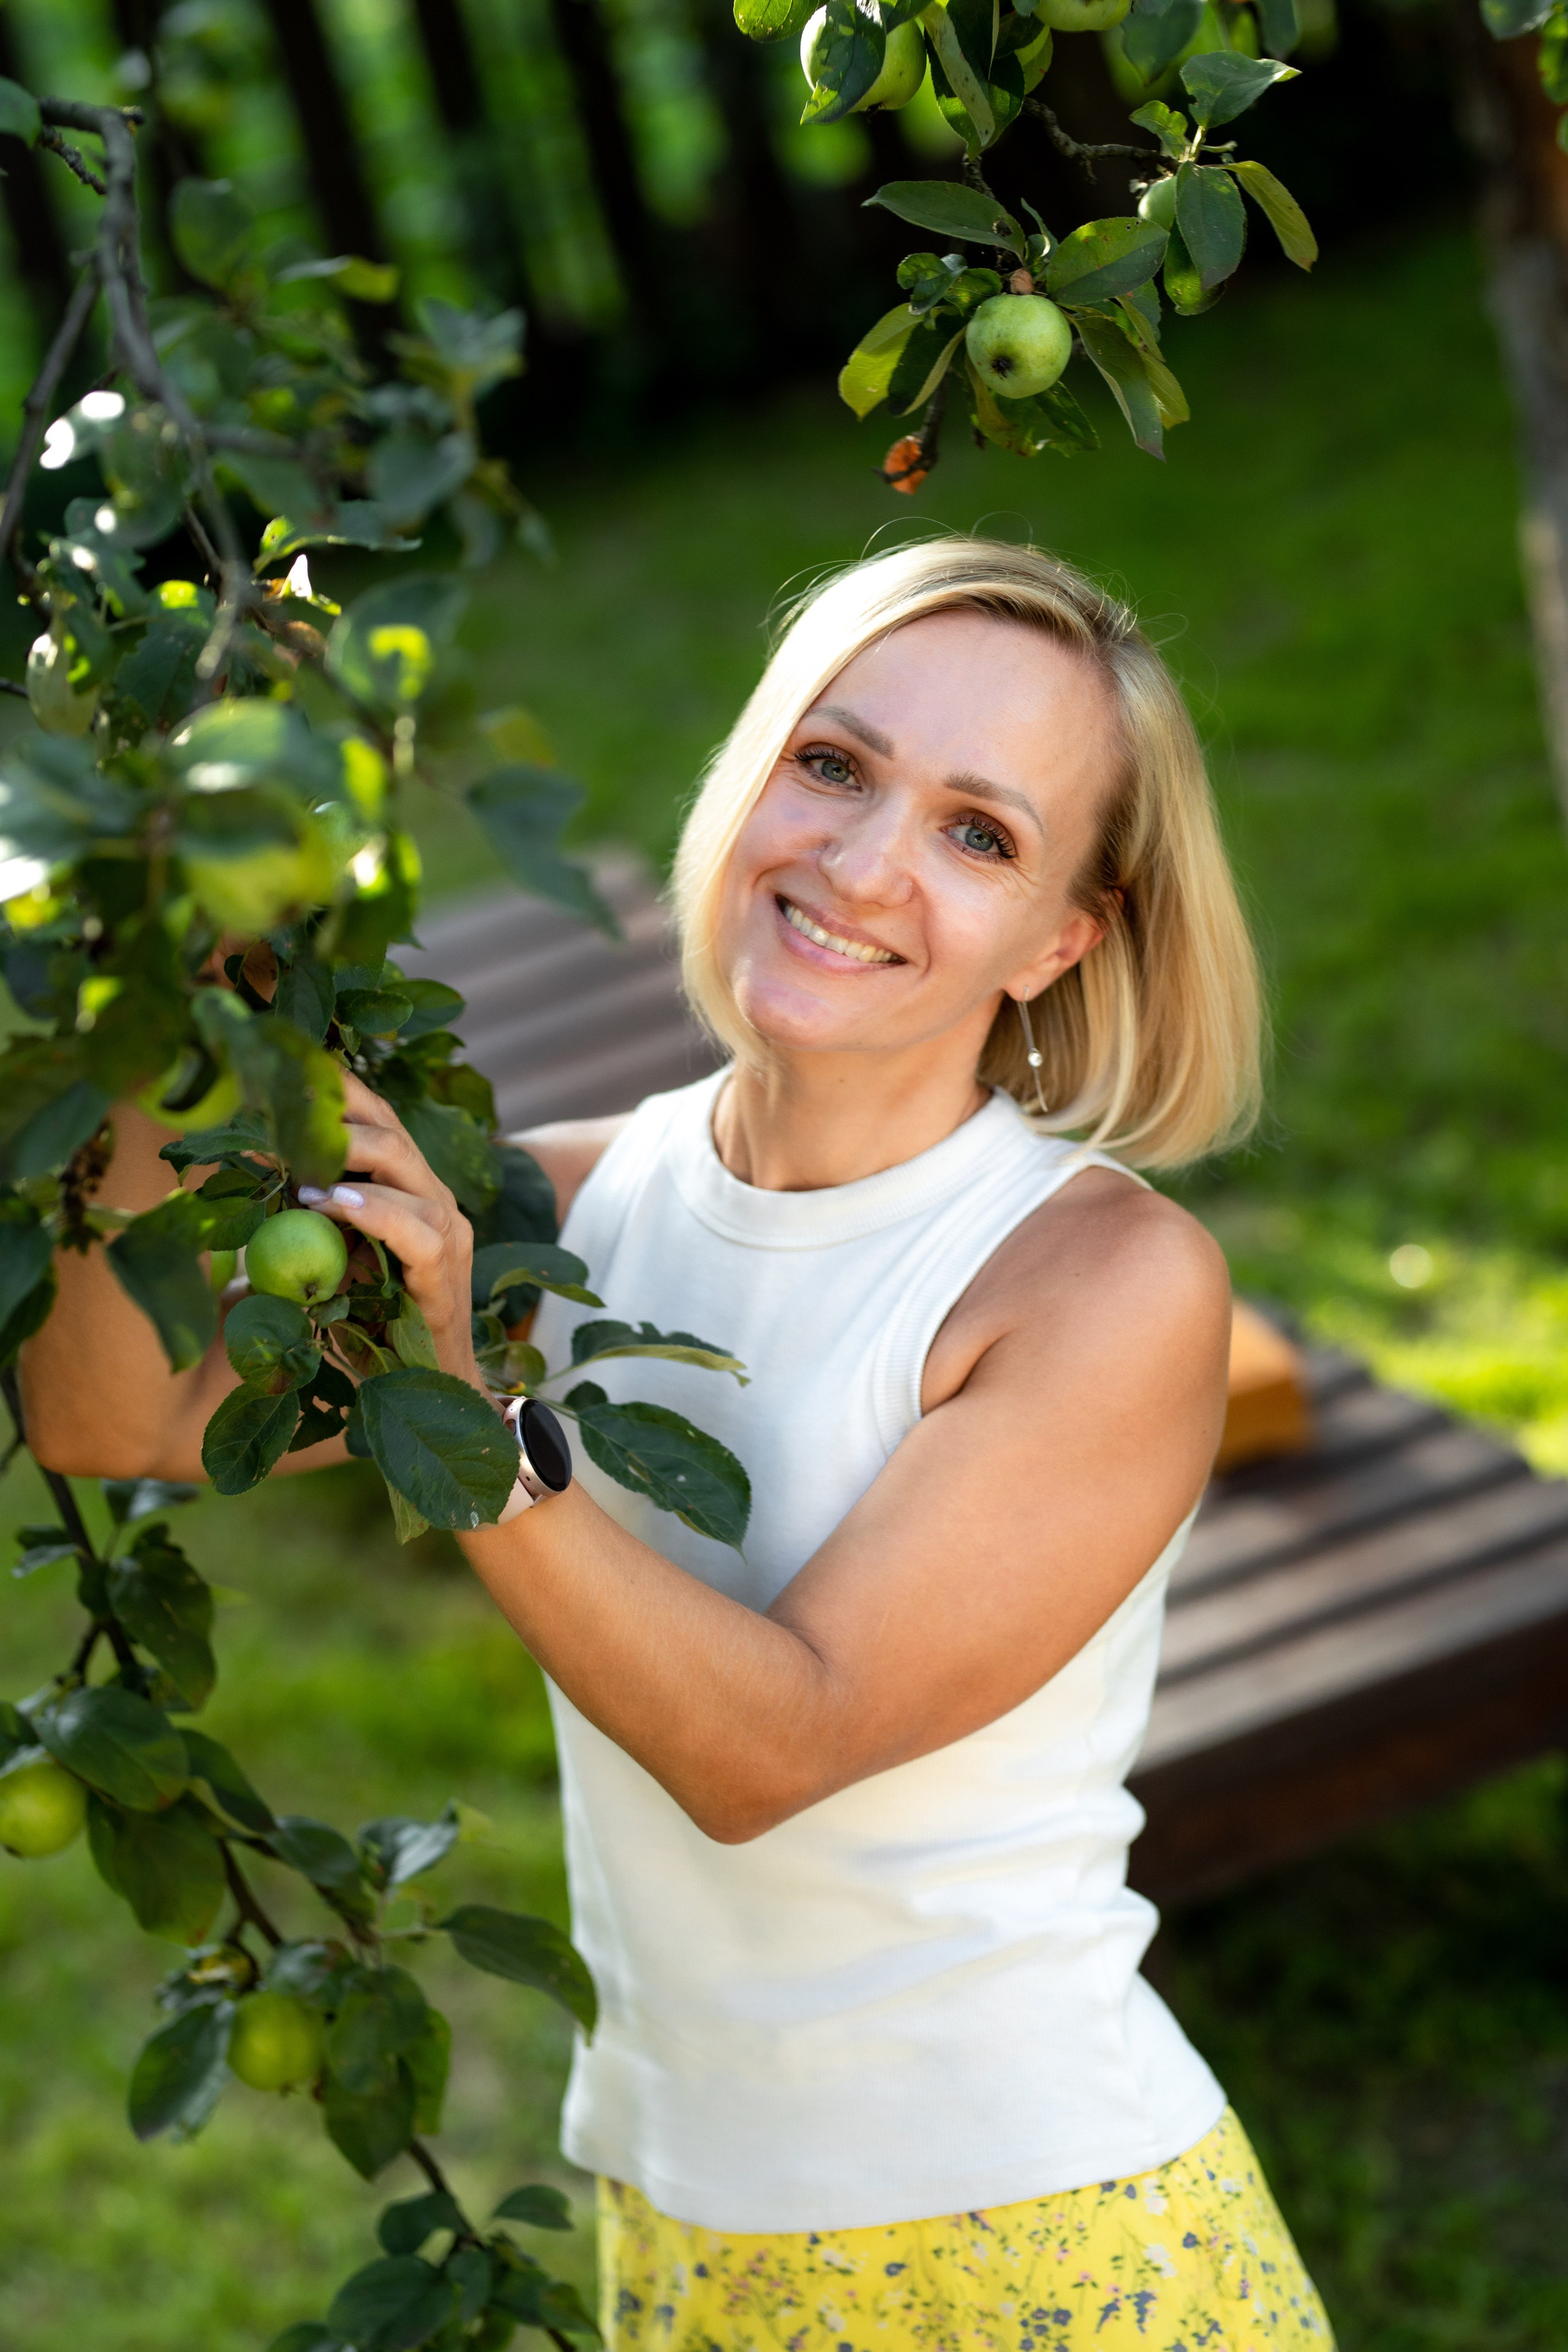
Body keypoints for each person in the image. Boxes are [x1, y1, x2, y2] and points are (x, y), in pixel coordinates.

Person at [23, 537, 1335, 2350]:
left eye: (981, 833)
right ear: (755, 770)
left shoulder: (1100, 1282)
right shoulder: (579, 1209)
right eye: (836, 763)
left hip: (1034, 2231)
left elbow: (767, 1749)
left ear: (1065, 935)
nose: (864, 861)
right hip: (682, 2218)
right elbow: (108, 1416)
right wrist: (140, 989)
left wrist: (466, 1417)